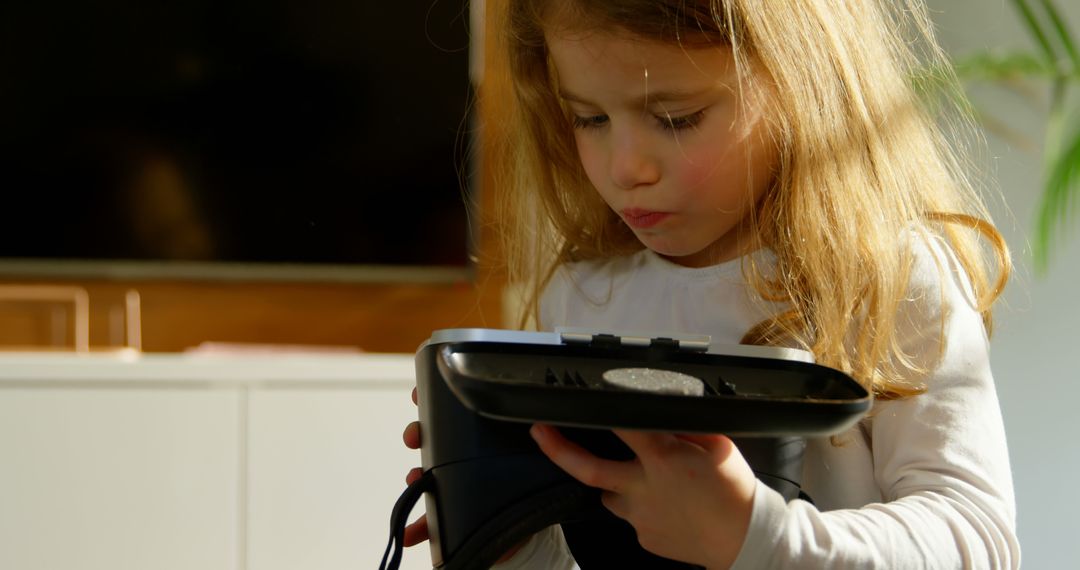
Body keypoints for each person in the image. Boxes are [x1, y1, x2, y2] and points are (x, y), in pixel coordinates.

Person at [403, 0, 1020, 567]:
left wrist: (754, 536)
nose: (626, 168)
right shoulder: (585, 292)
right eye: (588, 118)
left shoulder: (890, 279)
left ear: (799, 82)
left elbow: (978, 538)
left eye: (676, 118)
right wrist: (508, 538)